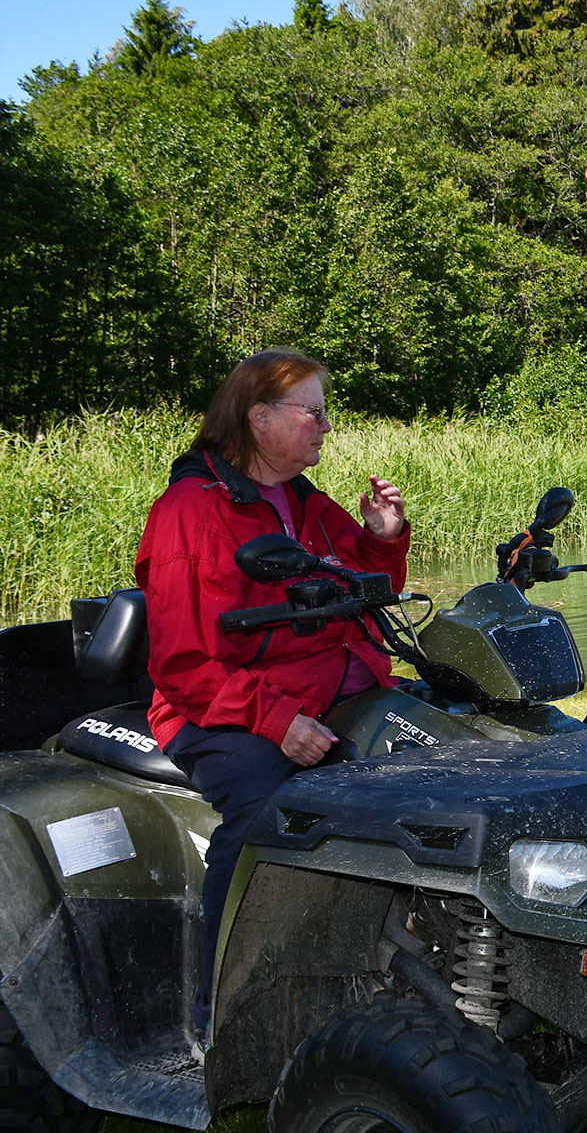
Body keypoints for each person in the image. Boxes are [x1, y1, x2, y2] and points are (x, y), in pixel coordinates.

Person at [135, 349, 409, 1031]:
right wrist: (277, 721)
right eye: (312, 412)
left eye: (325, 412)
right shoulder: (189, 512)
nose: (325, 426)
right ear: (260, 419)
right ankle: (218, 1008)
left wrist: (383, 538)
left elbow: (370, 590)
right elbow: (183, 664)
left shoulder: (304, 502)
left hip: (320, 689)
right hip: (216, 711)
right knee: (265, 805)